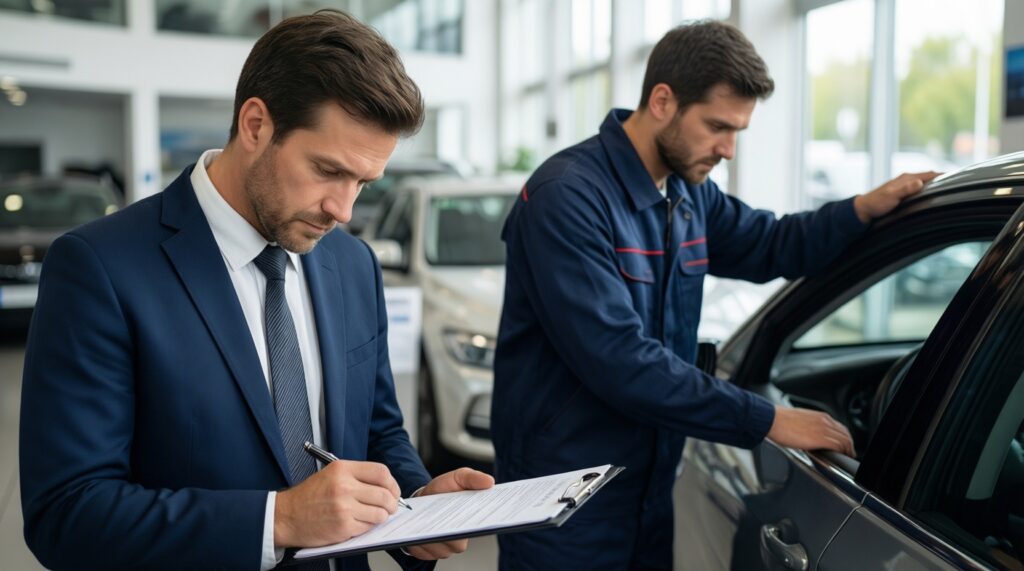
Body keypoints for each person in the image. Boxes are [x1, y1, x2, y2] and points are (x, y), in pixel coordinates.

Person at [19, 10, 492, 571]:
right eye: (327, 170)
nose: (343, 211)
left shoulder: (354, 263)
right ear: (255, 125)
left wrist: (417, 509)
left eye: (363, 184)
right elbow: (67, 514)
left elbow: (375, 429)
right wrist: (280, 519)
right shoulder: (100, 267)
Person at [491, 20, 937, 570]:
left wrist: (860, 211)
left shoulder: (687, 195)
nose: (727, 149)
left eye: (738, 132)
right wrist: (766, 419)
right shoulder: (567, 198)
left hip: (648, 492)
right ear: (662, 101)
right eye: (717, 127)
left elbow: (775, 243)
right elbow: (619, 360)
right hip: (562, 506)